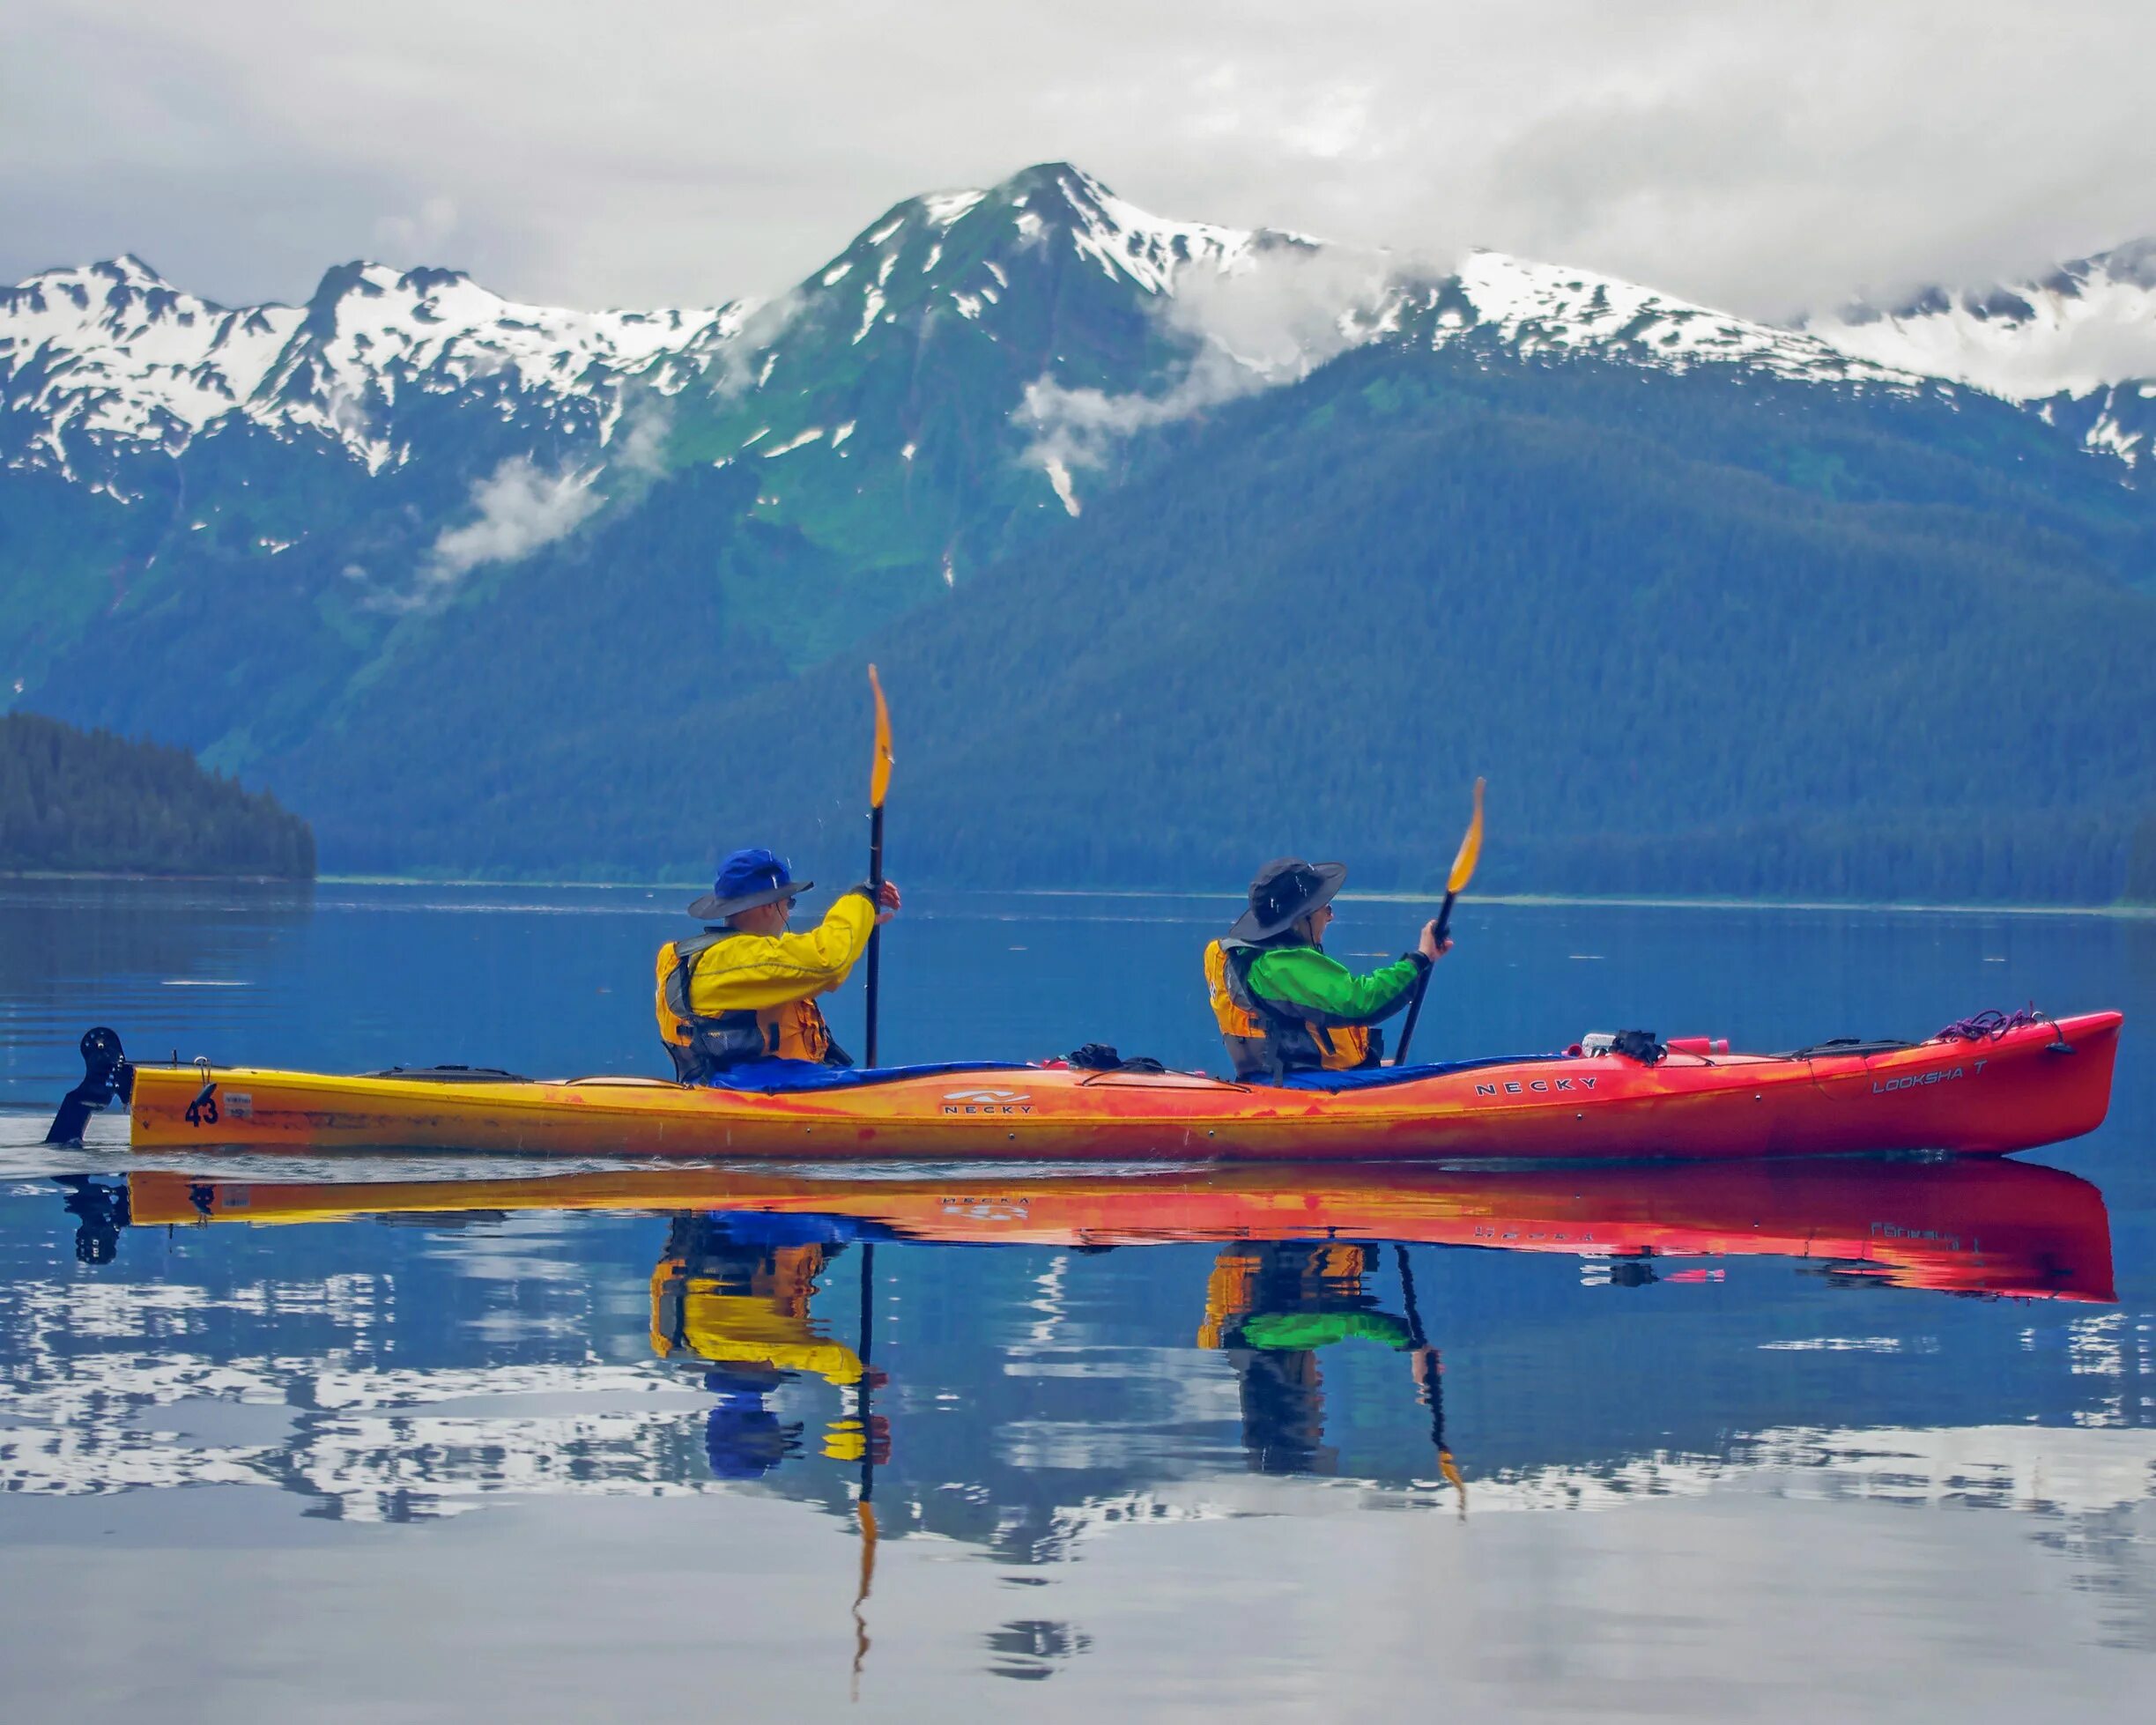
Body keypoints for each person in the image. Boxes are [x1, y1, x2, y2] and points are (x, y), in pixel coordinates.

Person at [656, 847, 900, 1082]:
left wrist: (862, 920)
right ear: (769, 906)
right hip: (754, 1090)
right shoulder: (733, 959)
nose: (789, 913)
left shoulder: (718, 954)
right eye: (789, 902)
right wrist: (861, 899)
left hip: (762, 1083)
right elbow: (827, 961)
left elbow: (796, 951)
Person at [1203, 856, 1448, 1080]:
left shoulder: (1256, 957)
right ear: (1301, 918)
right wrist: (1420, 959)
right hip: (1300, 1087)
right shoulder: (1279, 967)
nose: (1330, 917)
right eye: (1326, 909)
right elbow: (1362, 1000)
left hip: (1284, 1079)